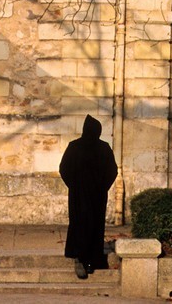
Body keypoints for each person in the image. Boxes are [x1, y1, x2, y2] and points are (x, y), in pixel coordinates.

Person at [59, 114, 117, 279]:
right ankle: (92, 260)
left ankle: (79, 257)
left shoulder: (74, 146)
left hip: (79, 194)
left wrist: (74, 185)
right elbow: (112, 171)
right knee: (95, 225)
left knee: (78, 223)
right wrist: (102, 187)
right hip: (97, 195)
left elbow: (64, 168)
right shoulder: (104, 148)